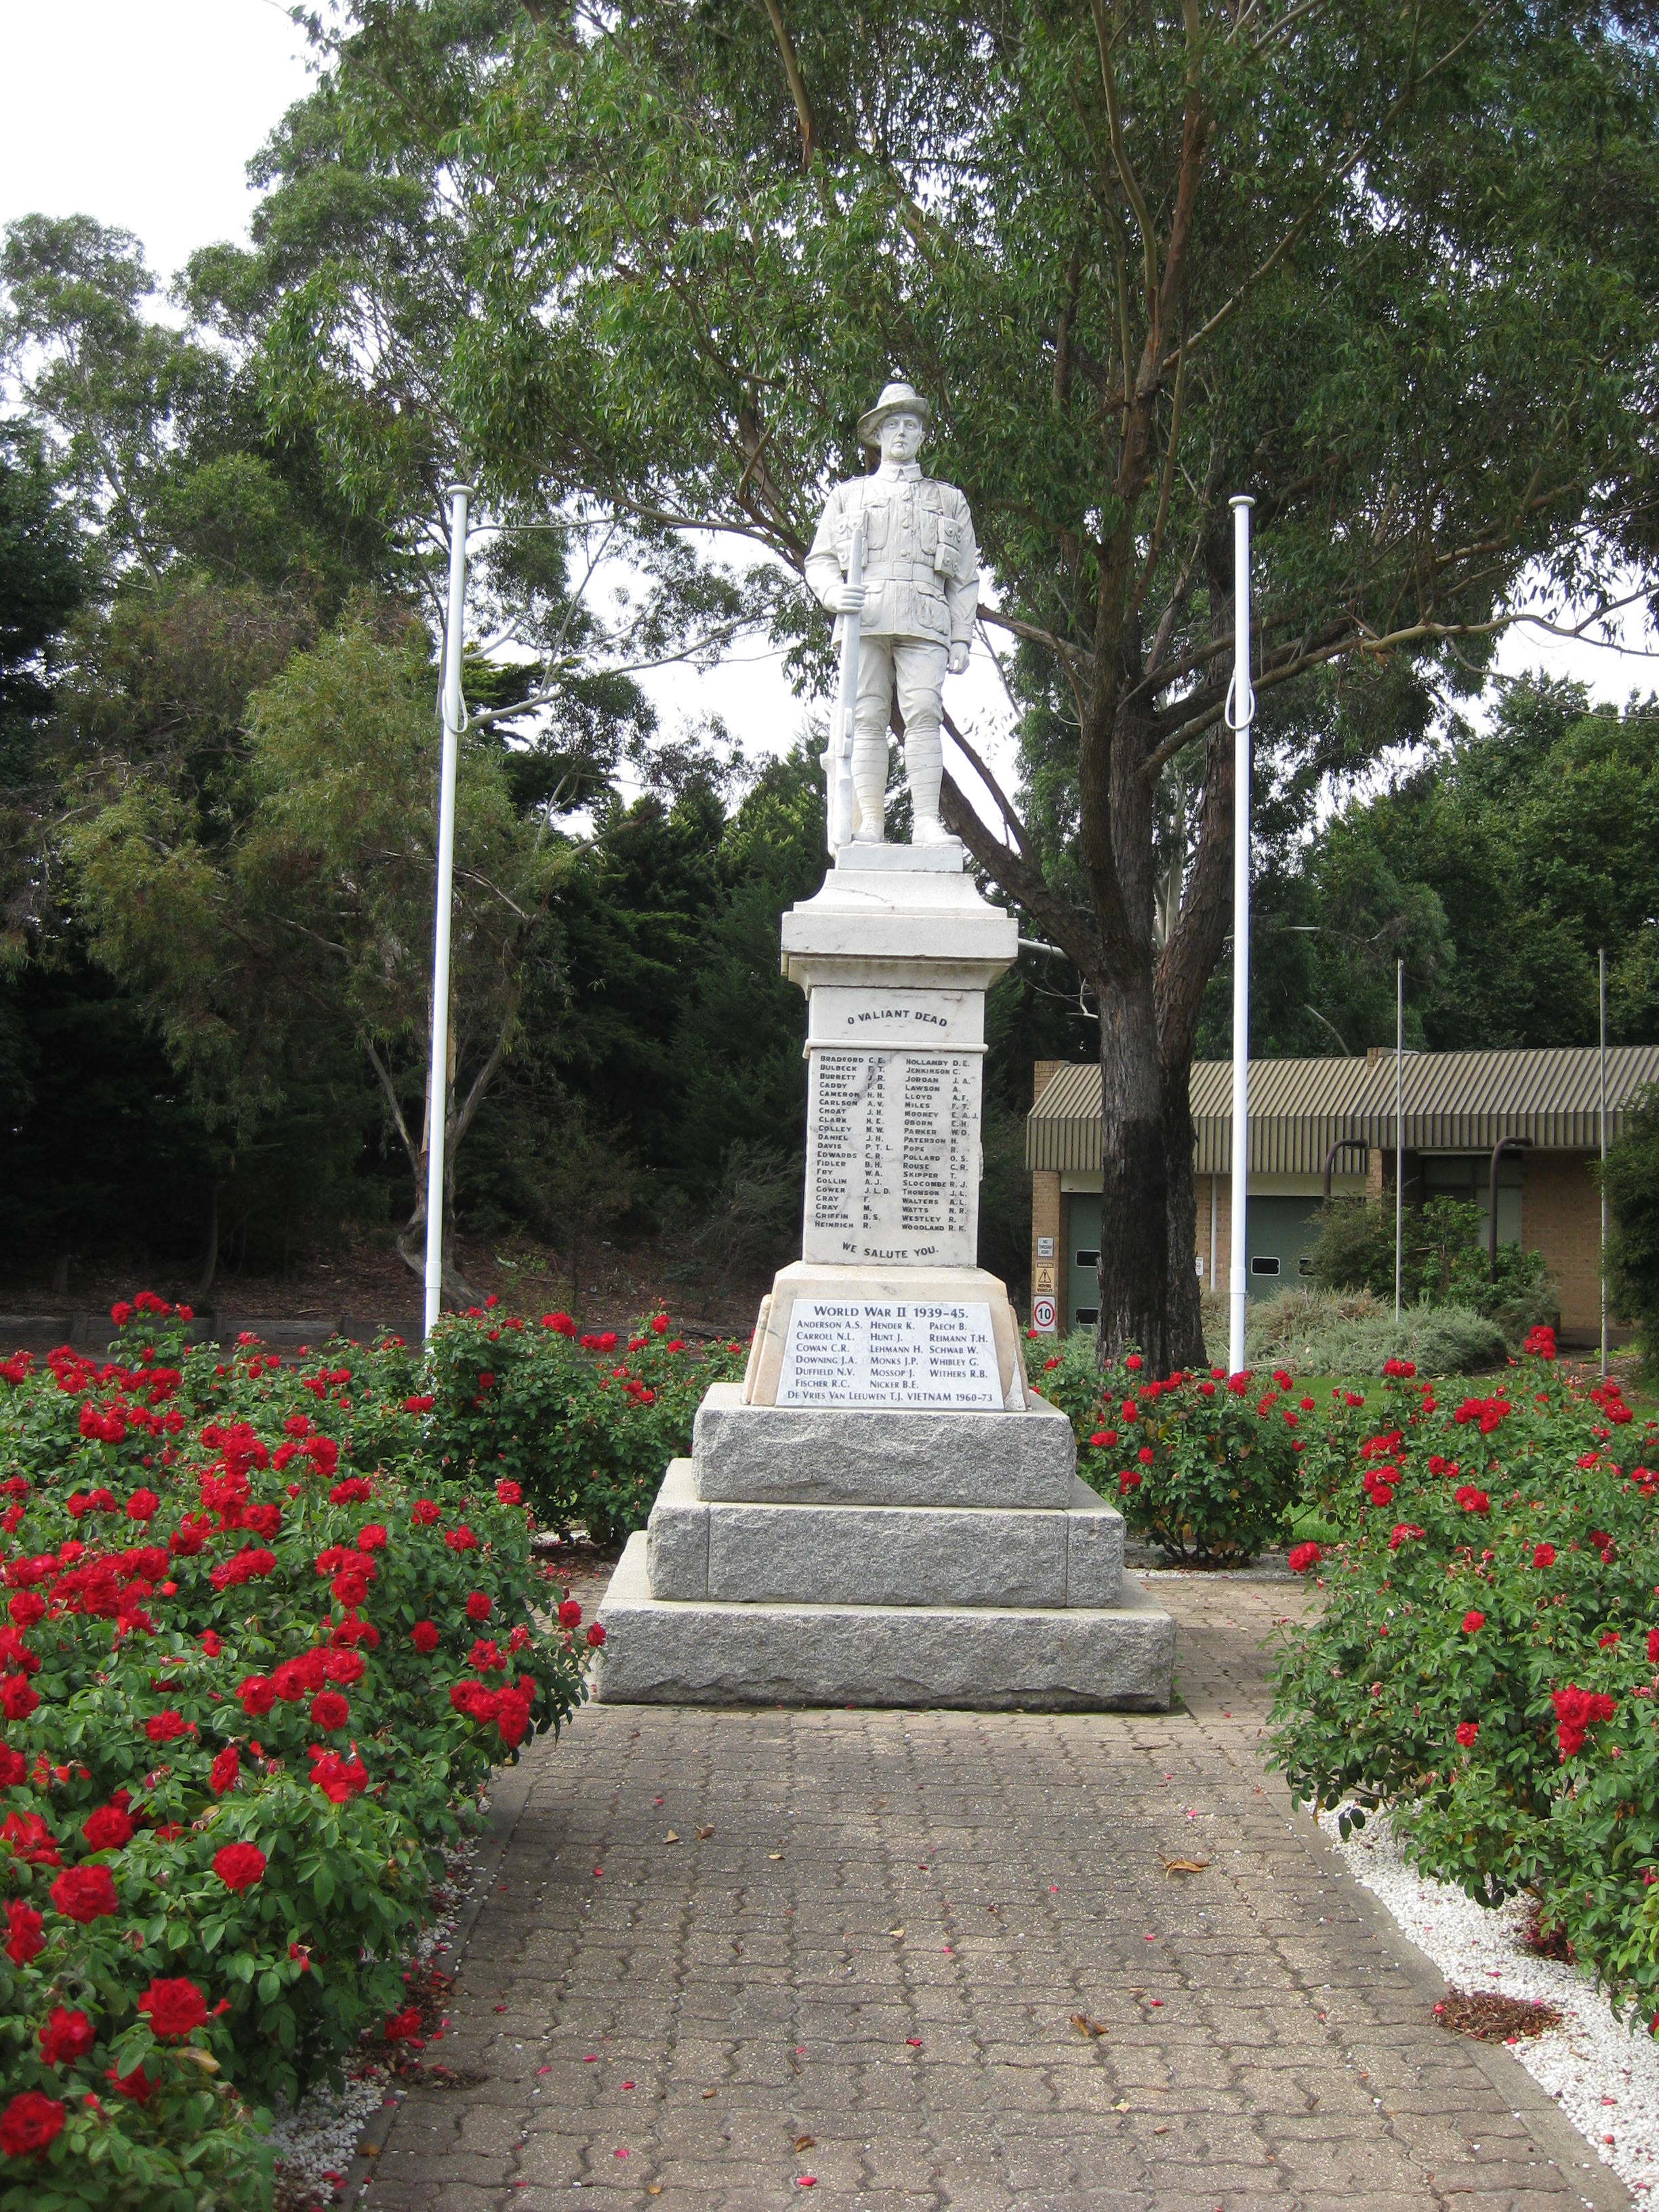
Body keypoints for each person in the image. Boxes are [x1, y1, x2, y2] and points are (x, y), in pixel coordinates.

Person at [806, 382, 979, 844]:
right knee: (866, 717)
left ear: (923, 435)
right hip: (865, 618)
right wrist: (832, 593)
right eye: (893, 424)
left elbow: (964, 578)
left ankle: (927, 820)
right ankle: (871, 823)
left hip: (925, 617)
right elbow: (820, 559)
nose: (902, 433)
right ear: (877, 434)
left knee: (924, 712)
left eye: (911, 424)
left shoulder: (949, 500)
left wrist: (962, 636)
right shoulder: (848, 496)